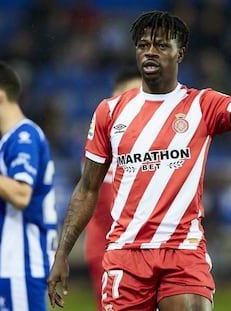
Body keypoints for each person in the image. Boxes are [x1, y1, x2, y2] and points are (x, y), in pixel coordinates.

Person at [47, 9, 231, 311]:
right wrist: (62, 254)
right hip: (126, 252)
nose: (151, 51)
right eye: (144, 44)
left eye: (162, 45)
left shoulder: (203, 104)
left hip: (183, 251)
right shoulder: (109, 112)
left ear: (180, 53)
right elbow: (87, 189)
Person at [0, 60, 58, 311]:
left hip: (21, 269)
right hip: (2, 271)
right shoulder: (9, 141)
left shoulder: (23, 138)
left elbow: (21, 194)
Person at [83, 67, 142, 310]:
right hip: (110, 248)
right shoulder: (105, 144)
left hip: (141, 247)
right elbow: (113, 204)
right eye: (129, 94)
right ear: (115, 98)